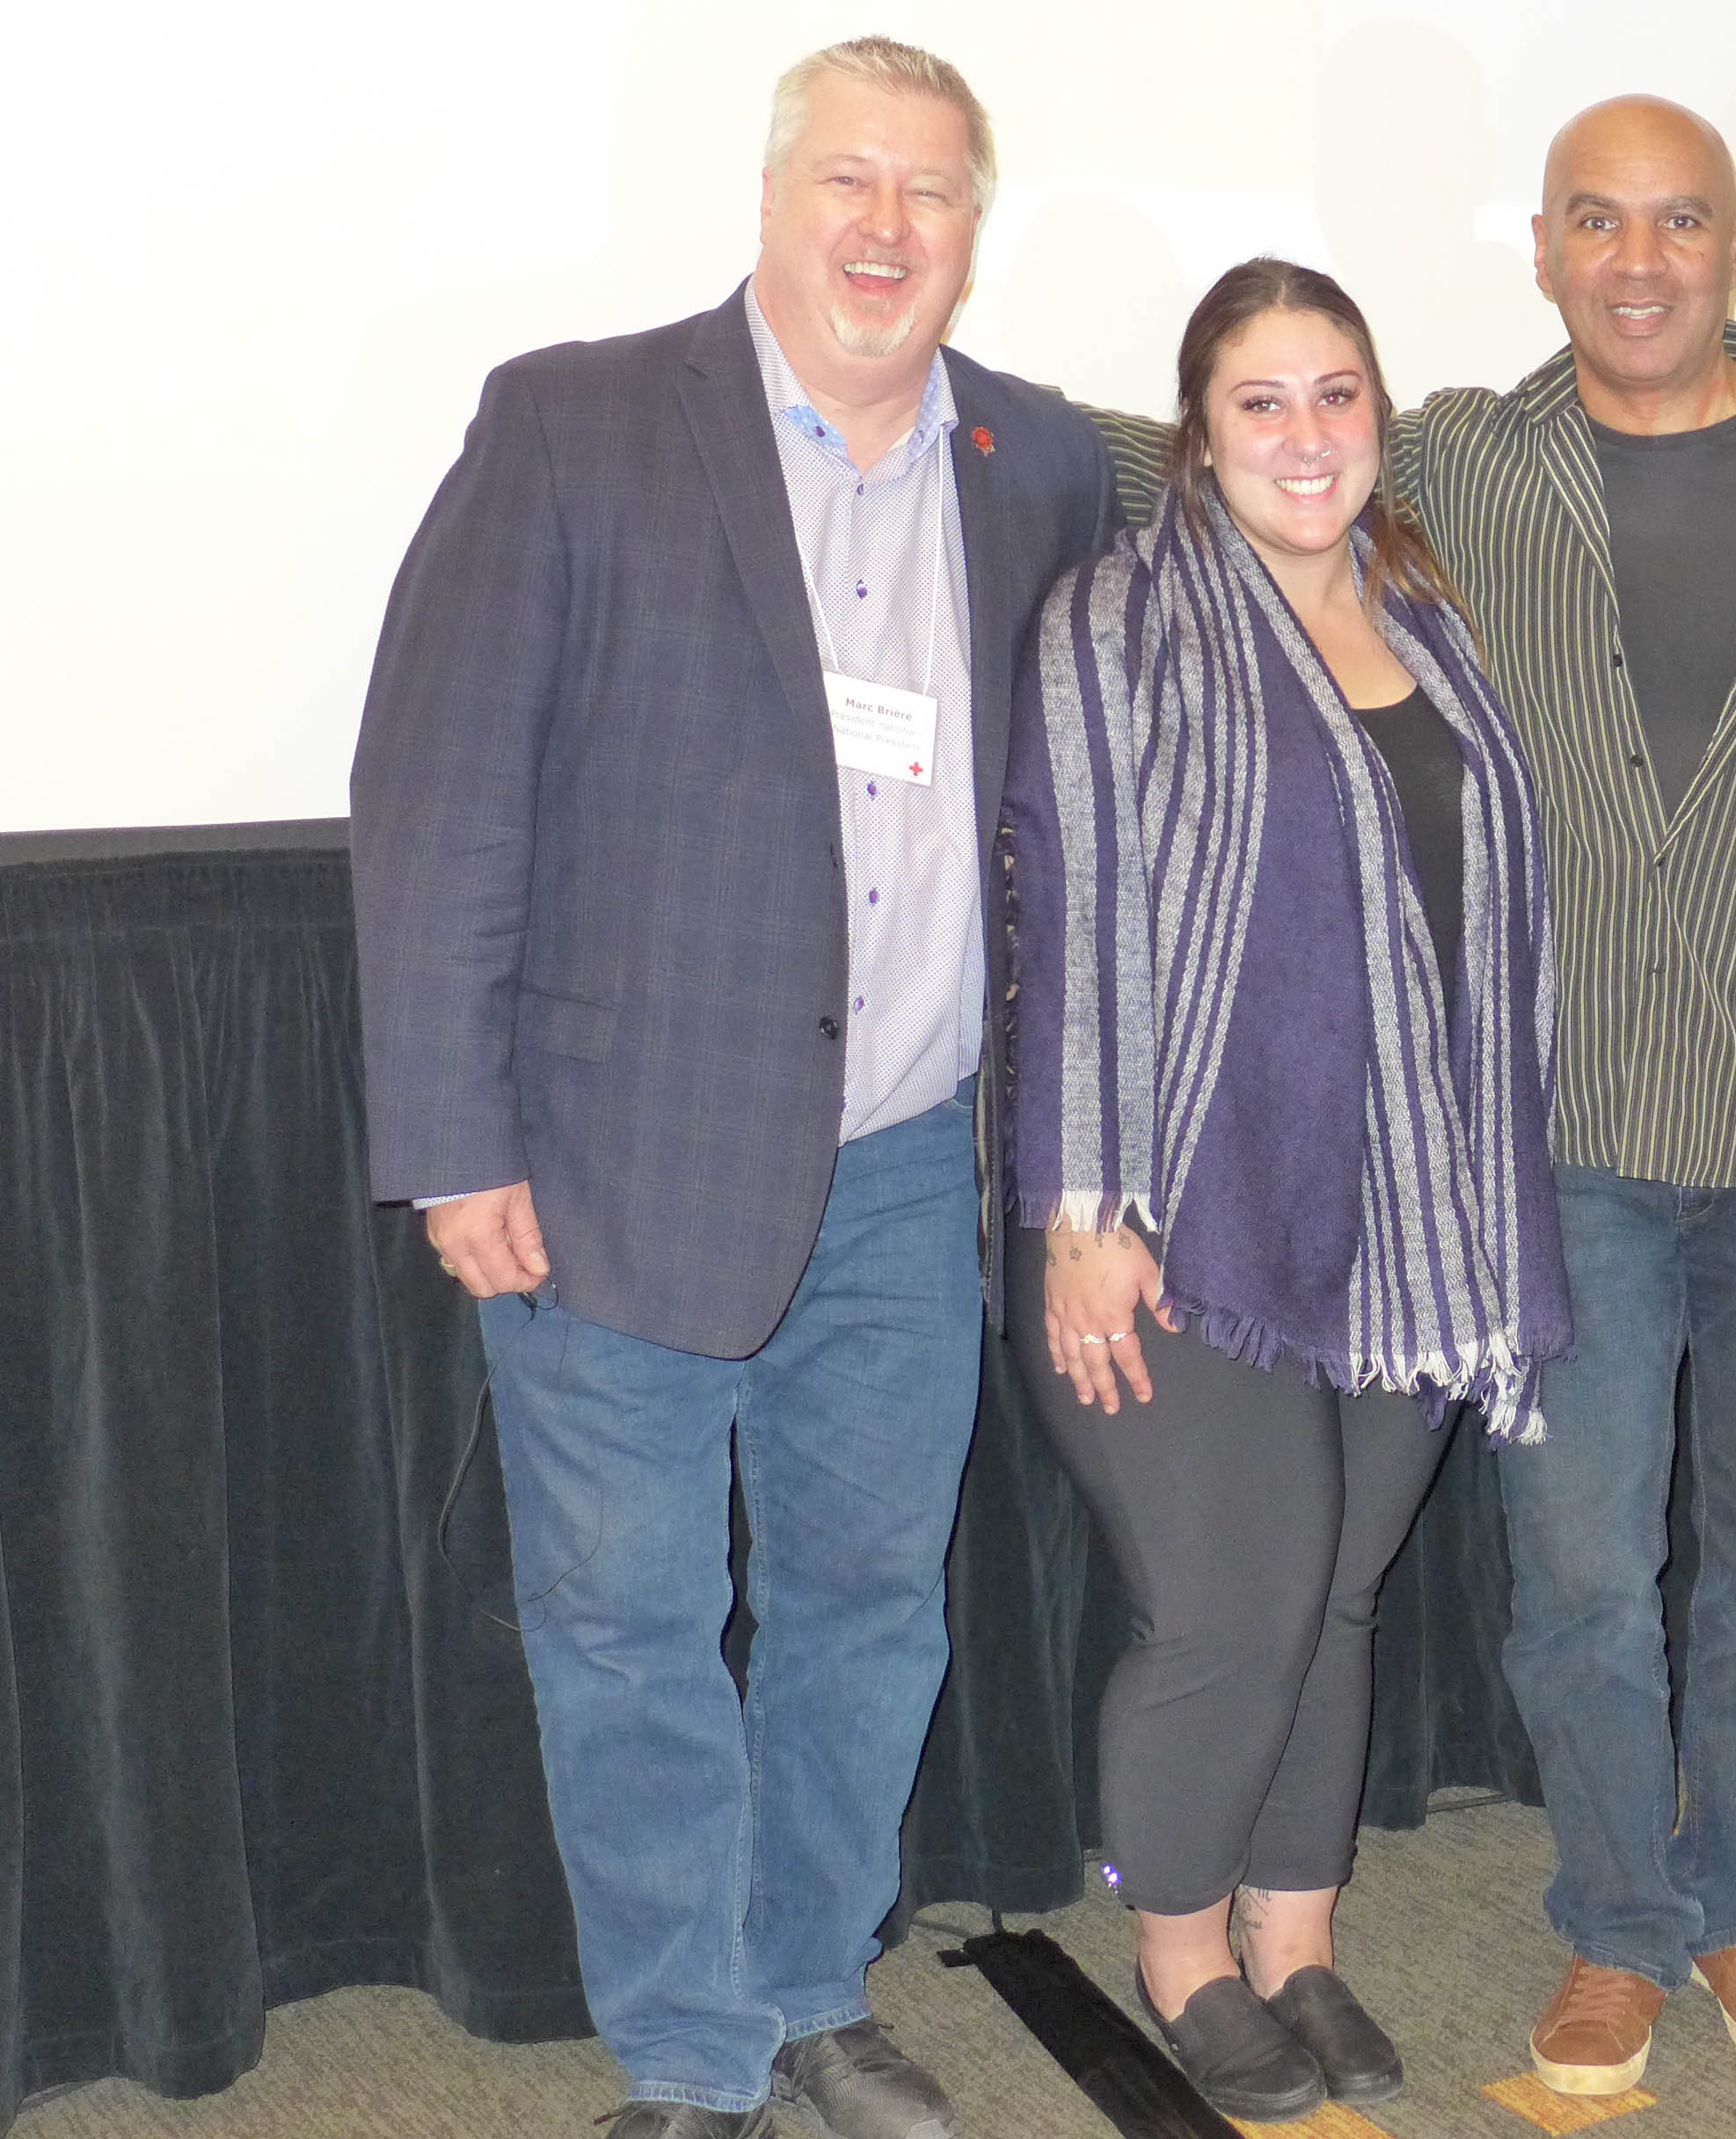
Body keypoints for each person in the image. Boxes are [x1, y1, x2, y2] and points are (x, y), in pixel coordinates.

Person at [1069, 91, 1736, 2097]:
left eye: (1679, 221)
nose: (1638, 260)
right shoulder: (1455, 457)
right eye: (1596, 222)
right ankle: (1619, 1925)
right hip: (1564, 1145)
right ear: (1540, 248)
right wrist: (914, 374)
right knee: (1588, 1585)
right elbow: (1179, 438)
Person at [347, 40, 1120, 2139]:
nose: (886, 229)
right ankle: (692, 2054)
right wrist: (451, 1142)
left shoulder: (1040, 462)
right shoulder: (580, 422)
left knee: (869, 1612)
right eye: (848, 183)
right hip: (613, 1165)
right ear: (774, 202)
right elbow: (438, 794)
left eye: (931, 193)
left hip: (907, 1169)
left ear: (975, 229)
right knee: (632, 1631)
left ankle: (805, 1991)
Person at [1001, 257, 1572, 2124]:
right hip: (1185, 1214)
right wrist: (1085, 1206)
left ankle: (1300, 1938)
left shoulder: (1436, 617)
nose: (1307, 433)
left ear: (1378, 416)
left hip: (1406, 1215)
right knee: (1237, 1602)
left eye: (1338, 393)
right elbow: (1075, 908)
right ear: (1200, 431)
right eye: (1263, 400)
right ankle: (1176, 1954)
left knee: (1338, 1596)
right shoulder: (1113, 622)